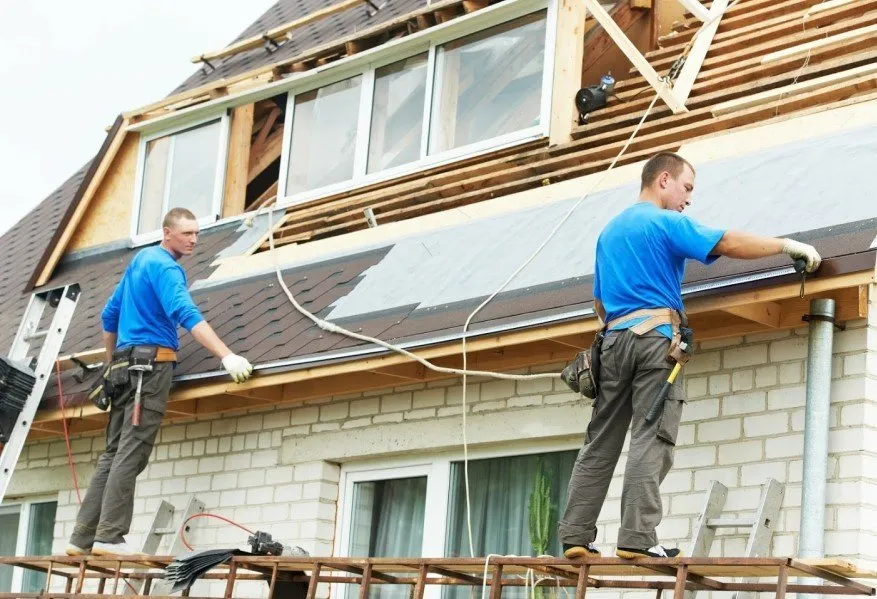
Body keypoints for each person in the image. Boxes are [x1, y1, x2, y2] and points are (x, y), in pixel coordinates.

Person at [558, 152, 820, 559]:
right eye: (687, 187)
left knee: (601, 441)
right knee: (653, 435)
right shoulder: (665, 222)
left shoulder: (609, 232)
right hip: (654, 341)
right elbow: (726, 242)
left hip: (611, 341)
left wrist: (619, 331)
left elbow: (598, 301)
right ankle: (636, 540)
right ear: (664, 180)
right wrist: (787, 245)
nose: (688, 199)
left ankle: (575, 538)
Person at [67, 207, 255, 556]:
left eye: (197, 233)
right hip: (150, 370)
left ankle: (80, 539)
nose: (194, 240)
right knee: (131, 452)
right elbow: (185, 312)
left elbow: (109, 317)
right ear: (166, 233)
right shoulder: (167, 267)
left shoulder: (140, 262)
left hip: (126, 366)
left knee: (112, 453)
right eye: (187, 233)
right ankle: (109, 537)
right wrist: (226, 355)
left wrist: (112, 365)